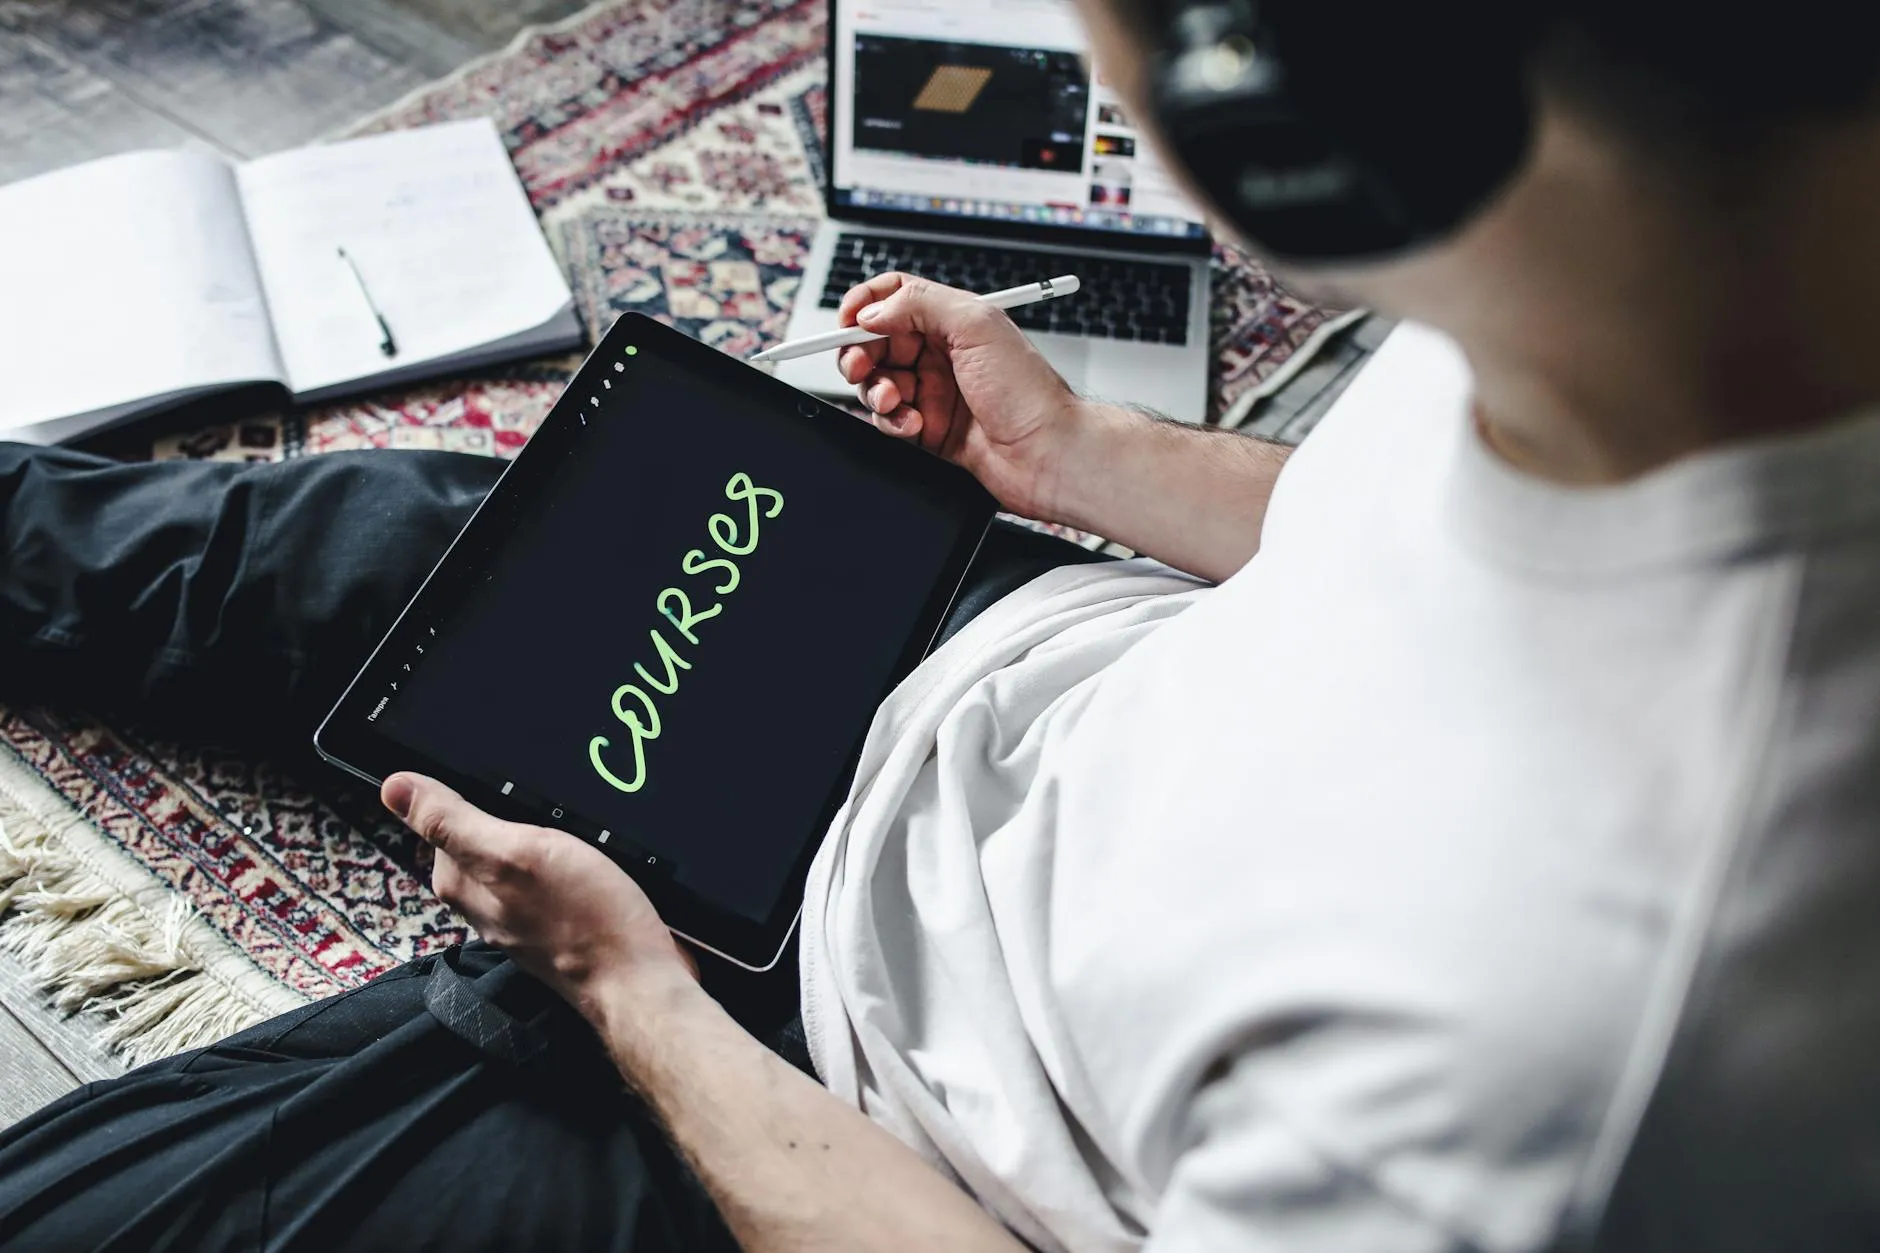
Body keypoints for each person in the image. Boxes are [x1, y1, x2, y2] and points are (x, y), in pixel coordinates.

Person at [4, 0, 1880, 1249]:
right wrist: (1087, 457)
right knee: (323, 539)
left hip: (834, 1075)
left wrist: (625, 989)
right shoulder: (1689, 300)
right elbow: (1407, 532)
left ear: (1284, 106)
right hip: (990, 637)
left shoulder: (1560, 1079)